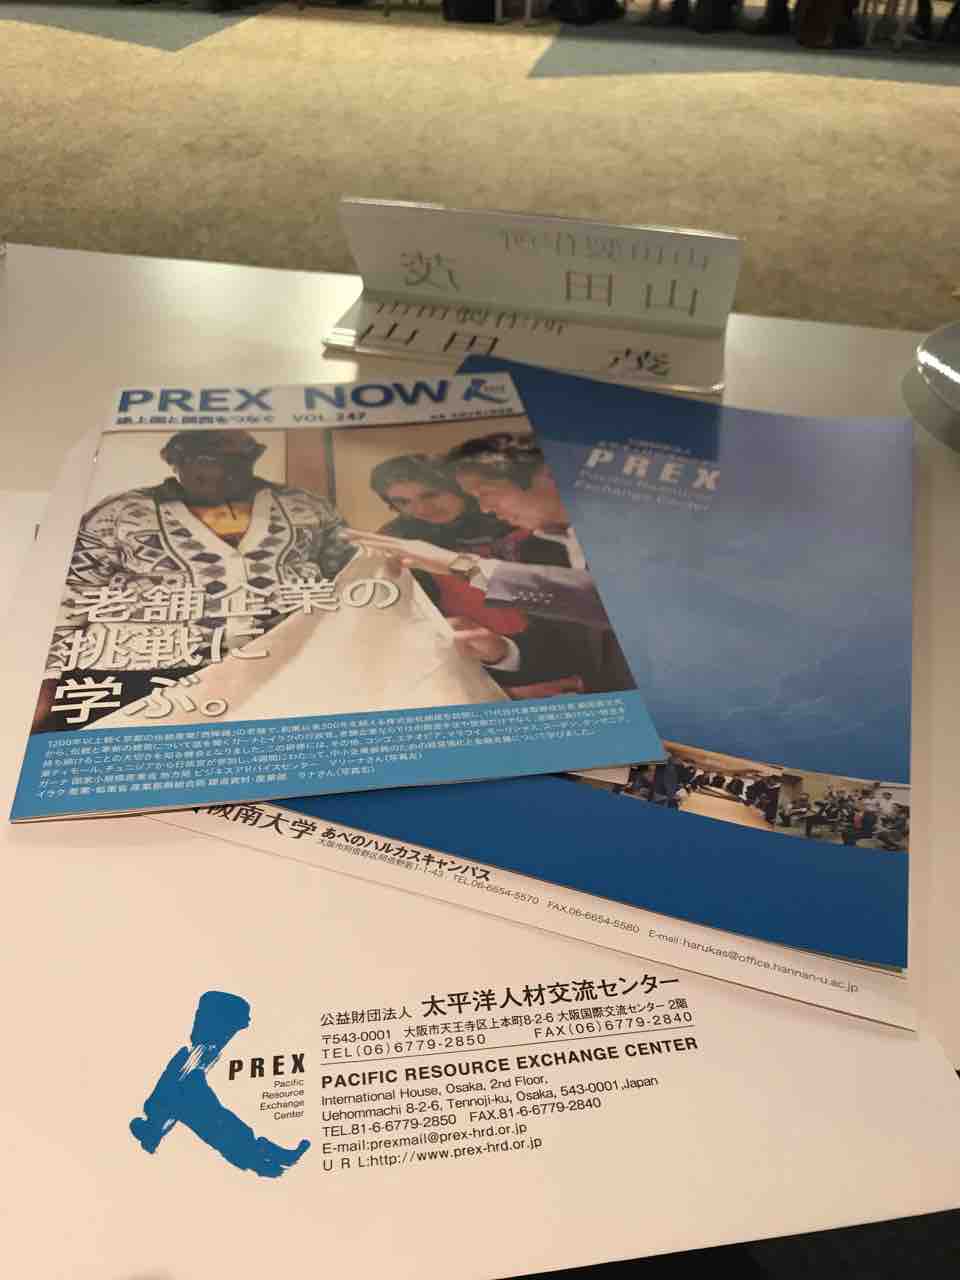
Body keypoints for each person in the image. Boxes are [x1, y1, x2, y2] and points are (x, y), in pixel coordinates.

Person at [37, 429, 355, 728]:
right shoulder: (120, 513)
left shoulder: (305, 506)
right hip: (146, 677)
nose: (216, 472)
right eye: (201, 461)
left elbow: (348, 576)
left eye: (231, 461)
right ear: (175, 462)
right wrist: (48, 679)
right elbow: (70, 595)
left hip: (279, 669)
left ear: (252, 459)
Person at [346, 433, 636, 694]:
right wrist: (500, 651)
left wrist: (459, 564)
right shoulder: (398, 537)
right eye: (402, 502)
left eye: (431, 494)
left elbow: (588, 600)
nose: (420, 509)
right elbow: (571, 639)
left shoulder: (557, 532)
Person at [130, 990, 310, 1178]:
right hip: (181, 1093)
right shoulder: (194, 1056)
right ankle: (263, 1161)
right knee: (222, 1125)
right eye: (231, 1029)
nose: (230, 1035)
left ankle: (264, 1160)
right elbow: (179, 1089)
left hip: (179, 1095)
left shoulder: (199, 1054)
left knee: (222, 1125)